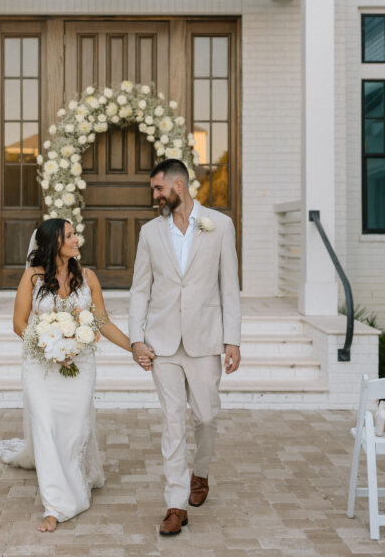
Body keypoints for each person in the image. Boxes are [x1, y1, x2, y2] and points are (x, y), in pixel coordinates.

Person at [0, 218, 131, 533]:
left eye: (74, 233)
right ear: (54, 243)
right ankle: (56, 505)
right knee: (46, 426)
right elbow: (19, 323)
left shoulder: (88, 277)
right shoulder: (32, 278)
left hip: (80, 366)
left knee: (75, 428)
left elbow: (102, 321)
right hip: (41, 367)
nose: (76, 238)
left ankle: (77, 477)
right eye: (69, 235)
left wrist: (132, 347)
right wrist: (51, 347)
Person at [128, 158, 241, 537]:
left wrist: (233, 339)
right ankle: (175, 504)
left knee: (206, 416)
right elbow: (140, 289)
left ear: (178, 186)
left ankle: (201, 471)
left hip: (206, 339)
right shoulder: (149, 233)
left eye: (158, 189)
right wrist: (136, 338)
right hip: (162, 343)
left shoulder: (220, 225)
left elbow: (229, 287)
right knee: (173, 422)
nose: (155, 196)